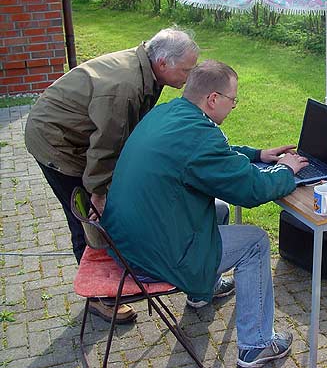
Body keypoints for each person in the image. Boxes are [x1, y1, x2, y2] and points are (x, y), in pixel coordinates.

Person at [100, 60, 309, 367]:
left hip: (125, 240)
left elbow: (210, 155)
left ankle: (203, 291)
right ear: (213, 99)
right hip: (149, 258)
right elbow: (250, 190)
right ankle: (257, 345)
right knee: (254, 242)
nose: (234, 106)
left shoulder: (168, 112)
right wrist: (286, 172)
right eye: (232, 100)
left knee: (219, 209)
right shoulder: (199, 137)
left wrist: (257, 155)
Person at [24, 27, 206, 323]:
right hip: (56, 143)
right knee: (86, 216)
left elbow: (126, 132)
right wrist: (99, 192)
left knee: (105, 203)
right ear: (163, 64)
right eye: (187, 69)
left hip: (82, 136)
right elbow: (105, 148)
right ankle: (100, 297)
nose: (191, 75)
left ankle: (117, 267)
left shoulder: (147, 71)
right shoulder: (124, 87)